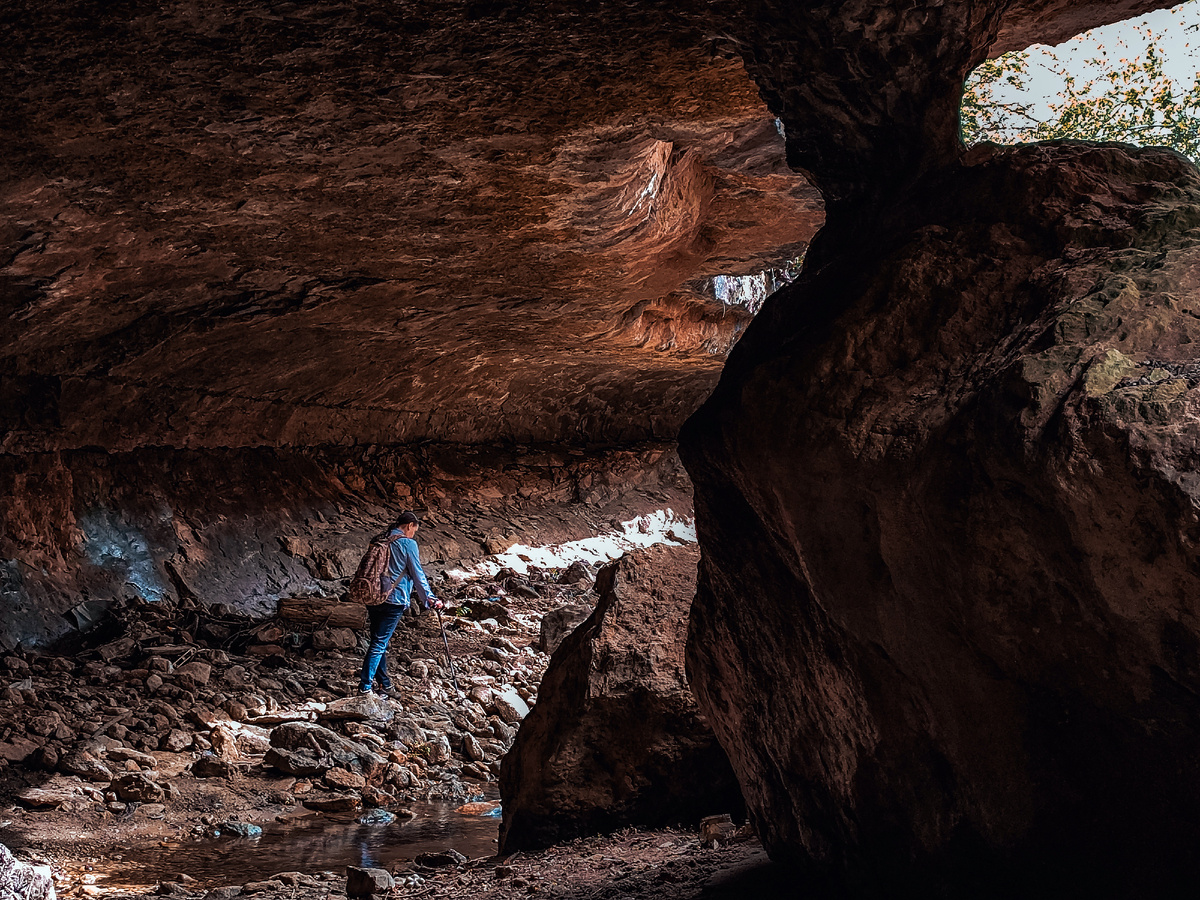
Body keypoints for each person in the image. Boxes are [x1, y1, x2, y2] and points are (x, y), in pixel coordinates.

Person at [359, 511, 441, 695]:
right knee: (379, 644)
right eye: (414, 531)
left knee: (378, 641)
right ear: (410, 525)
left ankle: (384, 684)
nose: (413, 535)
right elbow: (417, 574)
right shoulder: (407, 544)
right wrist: (429, 598)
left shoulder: (380, 539)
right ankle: (365, 687)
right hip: (394, 598)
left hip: (374, 595)